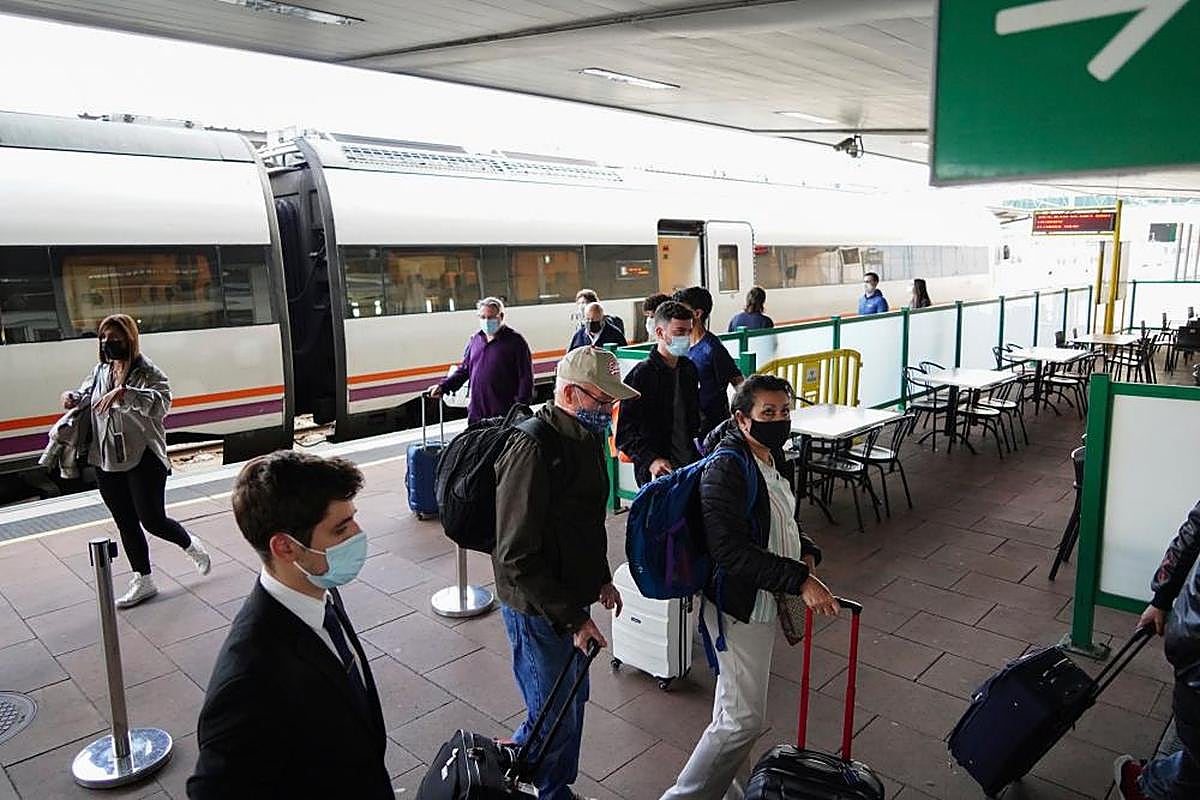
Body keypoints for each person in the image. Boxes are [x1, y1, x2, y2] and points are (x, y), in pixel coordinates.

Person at [661, 375, 839, 800]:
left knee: (734, 709)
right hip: (737, 605)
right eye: (768, 413)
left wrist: (806, 549)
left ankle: (722, 789)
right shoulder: (727, 467)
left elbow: (779, 518)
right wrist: (800, 579)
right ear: (743, 419)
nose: (779, 421)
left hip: (762, 598)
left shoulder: (771, 457)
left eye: (784, 412)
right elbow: (729, 551)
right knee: (742, 720)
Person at [188, 451, 392, 800]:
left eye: (353, 520)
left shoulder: (321, 588)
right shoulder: (247, 680)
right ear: (285, 547)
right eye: (341, 529)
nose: (358, 535)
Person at [493, 346, 638, 800]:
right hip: (536, 607)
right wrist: (575, 621)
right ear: (571, 394)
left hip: (568, 598)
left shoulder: (586, 436)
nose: (609, 410)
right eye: (602, 400)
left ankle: (519, 756)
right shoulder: (532, 446)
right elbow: (515, 554)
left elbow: (584, 519)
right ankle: (550, 791)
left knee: (566, 699)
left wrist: (599, 578)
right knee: (557, 708)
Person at [60, 313, 210, 609]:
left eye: (114, 338)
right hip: (106, 457)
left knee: (152, 519)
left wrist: (126, 393)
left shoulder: (147, 371)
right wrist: (73, 397)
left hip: (144, 457)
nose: (107, 343)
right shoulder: (101, 370)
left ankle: (190, 545)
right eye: (103, 338)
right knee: (125, 521)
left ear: (128, 339)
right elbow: (87, 395)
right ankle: (144, 579)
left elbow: (161, 405)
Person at [1114, 500, 1200, 800]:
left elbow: (1192, 530)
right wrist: (1161, 597)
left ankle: (1145, 783)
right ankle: (1147, 785)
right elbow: (1194, 529)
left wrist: (1162, 596)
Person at [616, 300, 701, 486]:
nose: (686, 338)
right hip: (658, 473)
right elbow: (624, 434)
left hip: (690, 465)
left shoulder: (689, 369)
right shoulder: (641, 375)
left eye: (688, 331)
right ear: (660, 332)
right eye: (679, 332)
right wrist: (651, 460)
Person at [430, 297, 533, 423]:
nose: (486, 321)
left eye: (490, 317)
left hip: (504, 415)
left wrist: (521, 406)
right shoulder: (475, 340)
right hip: (477, 413)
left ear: (501, 316)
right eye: (483, 317)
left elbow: (525, 377)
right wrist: (444, 386)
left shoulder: (515, 341)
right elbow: (464, 370)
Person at [675, 286, 745, 439]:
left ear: (697, 314)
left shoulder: (713, 349)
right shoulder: (680, 346)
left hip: (712, 431)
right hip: (689, 427)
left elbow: (740, 384)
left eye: (681, 310)